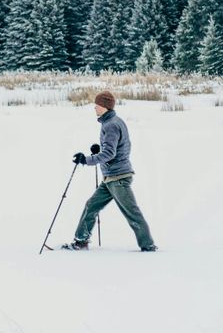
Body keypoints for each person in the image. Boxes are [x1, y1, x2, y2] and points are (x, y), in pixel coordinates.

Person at [61, 90, 157, 252]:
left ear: (105, 106)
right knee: (91, 206)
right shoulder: (114, 121)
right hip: (110, 178)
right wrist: (99, 150)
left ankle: (148, 246)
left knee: (132, 213)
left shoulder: (111, 125)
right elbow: (115, 148)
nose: (95, 108)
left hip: (118, 178)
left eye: (97, 105)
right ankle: (81, 241)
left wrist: (86, 159)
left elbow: (110, 153)